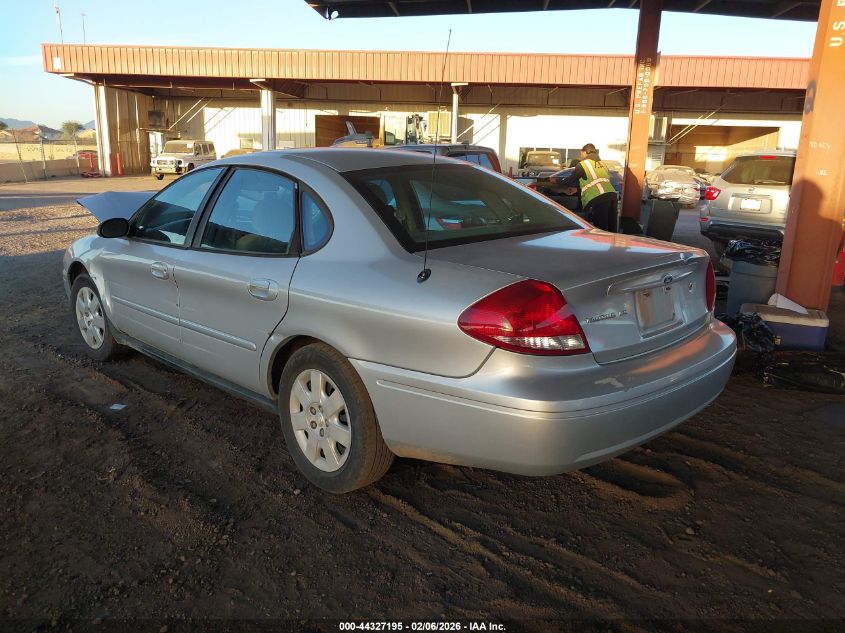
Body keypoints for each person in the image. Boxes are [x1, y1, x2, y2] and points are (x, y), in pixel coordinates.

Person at [557, 143, 619, 232]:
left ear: (585, 152)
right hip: (612, 196)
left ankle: (601, 245)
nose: (580, 156)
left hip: (598, 198)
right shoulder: (602, 164)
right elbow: (596, 181)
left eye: (581, 153)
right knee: (611, 229)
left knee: (601, 229)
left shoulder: (583, 164)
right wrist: (578, 189)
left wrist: (555, 181)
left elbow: (569, 180)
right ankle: (611, 245)